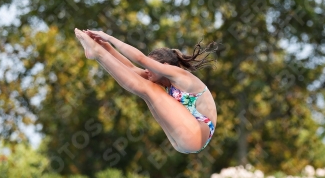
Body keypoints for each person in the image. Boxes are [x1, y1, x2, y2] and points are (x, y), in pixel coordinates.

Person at [74, 28, 217, 153]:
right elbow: (130, 69)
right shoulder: (162, 81)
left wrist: (109, 38)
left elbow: (140, 59)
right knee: (147, 89)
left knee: (149, 89)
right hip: (183, 141)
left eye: (151, 67)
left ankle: (97, 53)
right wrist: (104, 45)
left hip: (196, 134)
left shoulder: (179, 75)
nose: (147, 71)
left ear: (165, 66)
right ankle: (98, 52)